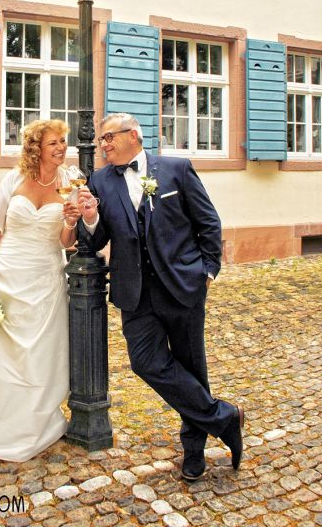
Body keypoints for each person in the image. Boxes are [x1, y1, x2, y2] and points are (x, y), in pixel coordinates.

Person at [78, 112, 244, 481]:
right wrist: (89, 217)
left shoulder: (176, 170)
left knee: (191, 367)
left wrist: (207, 271)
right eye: (101, 139)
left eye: (109, 137)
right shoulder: (100, 180)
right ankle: (224, 417)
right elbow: (97, 239)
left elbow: (208, 221)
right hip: (134, 293)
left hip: (183, 286)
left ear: (133, 135)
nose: (103, 144)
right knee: (145, 362)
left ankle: (194, 450)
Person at [0, 119, 80, 462]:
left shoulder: (69, 183)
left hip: (45, 279)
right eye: (54, 143)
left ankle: (30, 425)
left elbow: (65, 242)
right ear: (36, 148)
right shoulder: (13, 180)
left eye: (63, 141)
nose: (61, 148)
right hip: (6, 275)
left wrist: (70, 221)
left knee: (38, 355)